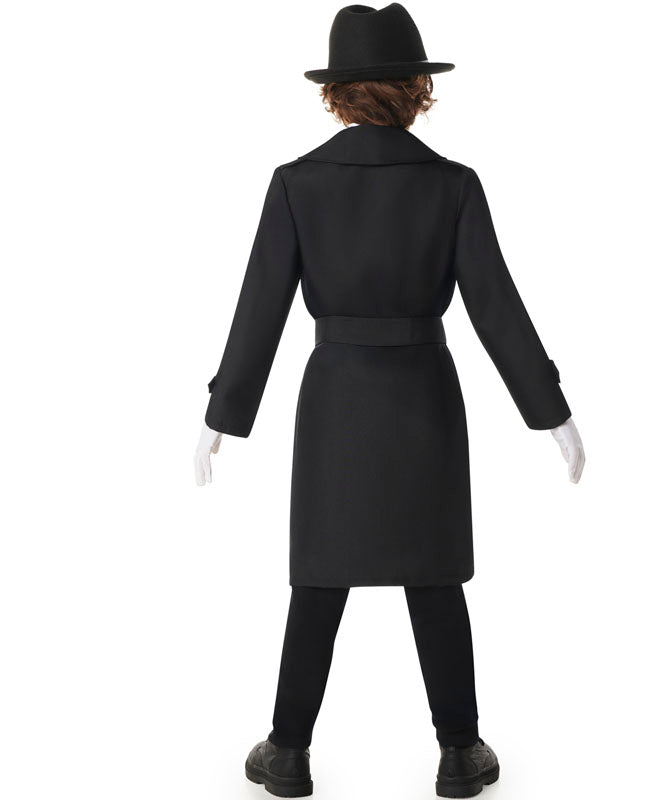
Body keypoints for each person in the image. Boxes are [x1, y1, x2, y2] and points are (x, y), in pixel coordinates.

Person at [194, 3, 585, 797]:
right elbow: (496, 307)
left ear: (335, 93)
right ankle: (460, 752)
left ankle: (288, 751)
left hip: (334, 396)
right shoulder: (452, 185)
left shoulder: (297, 183)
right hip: (423, 395)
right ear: (417, 89)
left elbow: (260, 307)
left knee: (320, 575)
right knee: (434, 574)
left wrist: (220, 416)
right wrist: (553, 412)